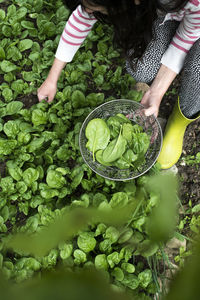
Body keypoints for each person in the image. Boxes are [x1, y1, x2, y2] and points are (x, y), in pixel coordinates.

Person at [37, 0, 200, 169]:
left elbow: (187, 37)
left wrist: (158, 90)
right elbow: (82, 17)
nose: (87, 10)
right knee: (143, 68)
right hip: (174, 12)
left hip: (193, 11)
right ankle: (174, 19)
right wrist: (51, 79)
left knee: (197, 71)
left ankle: (178, 122)